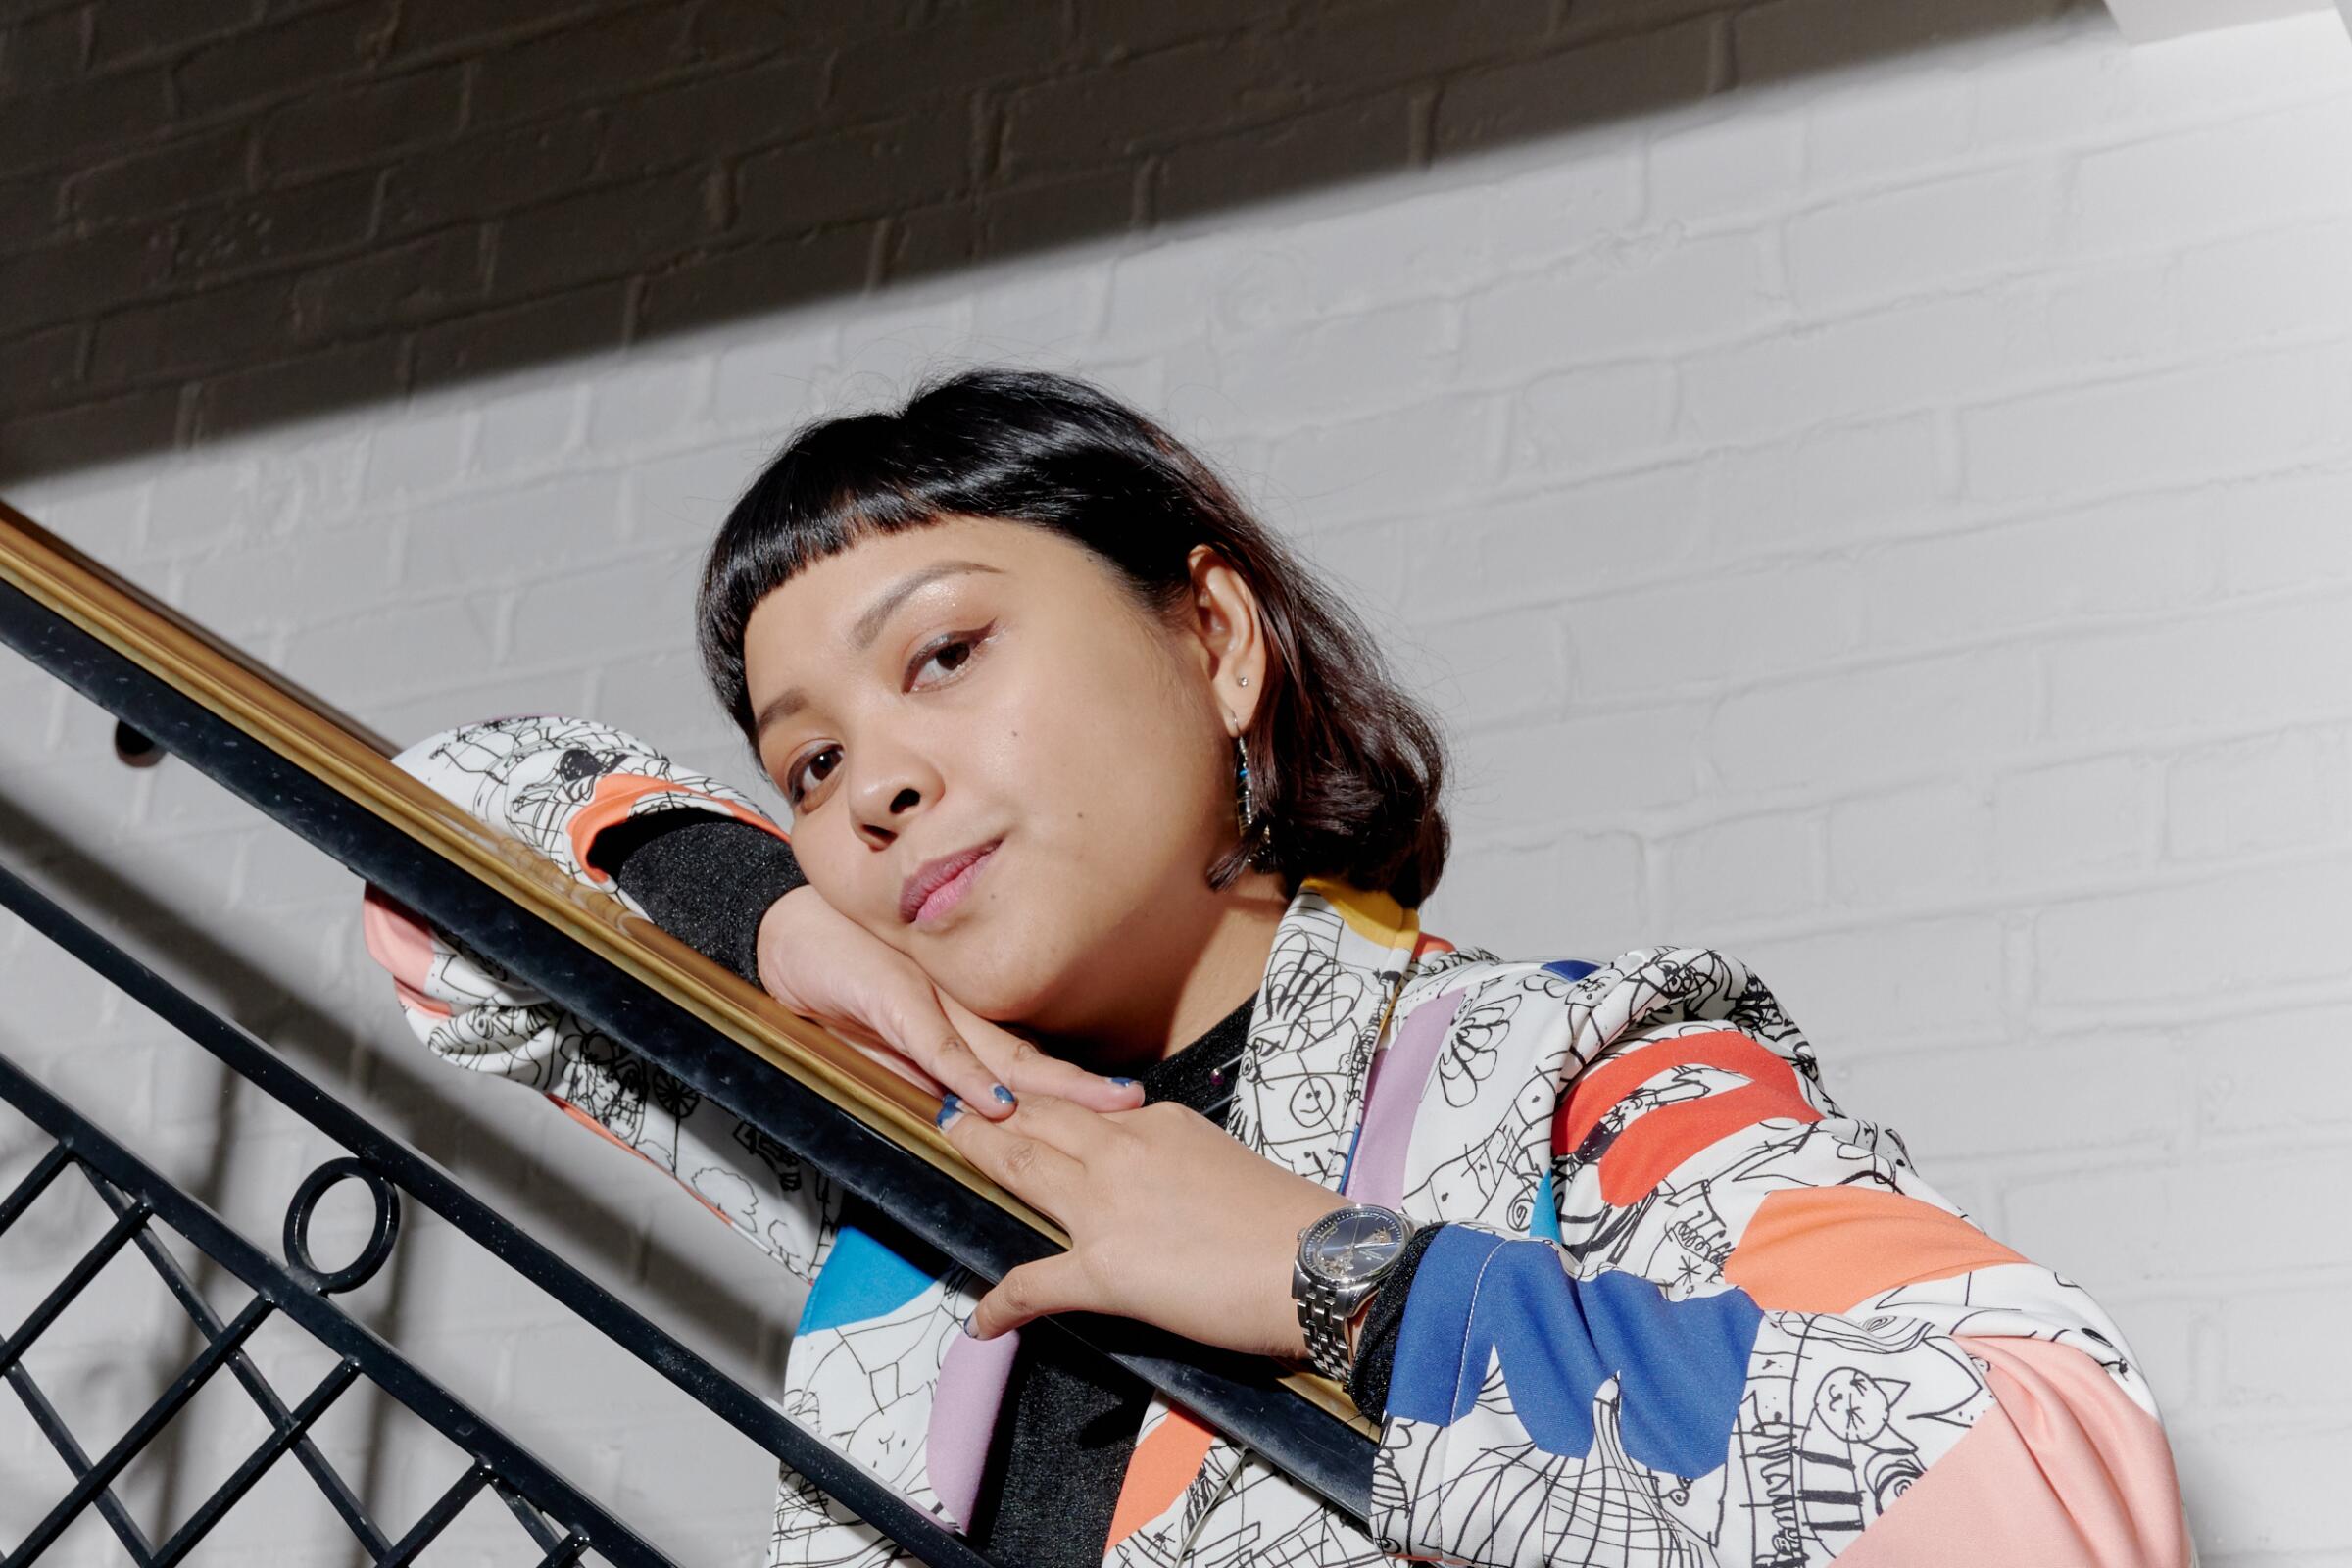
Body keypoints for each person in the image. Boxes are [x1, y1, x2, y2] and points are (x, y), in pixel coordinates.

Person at [359, 366, 2192, 1567]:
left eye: (943, 656)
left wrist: (1331, 1280)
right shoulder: (901, 1162)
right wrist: (758, 911)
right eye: (811, 761)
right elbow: (435, 848)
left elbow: (2041, 1481)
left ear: (1213, 640)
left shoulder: (1570, 1068)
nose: (879, 783)